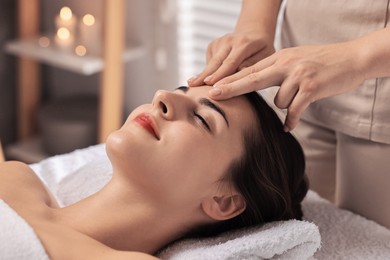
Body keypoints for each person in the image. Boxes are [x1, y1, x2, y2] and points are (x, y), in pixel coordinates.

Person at [0, 86, 308, 259]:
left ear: (224, 201)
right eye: (179, 90)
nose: (162, 96)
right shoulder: (15, 177)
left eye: (202, 119)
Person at [188, 0, 390, 228]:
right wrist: (254, 25)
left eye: (203, 119)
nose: (159, 96)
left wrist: (355, 57)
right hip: (297, 77)